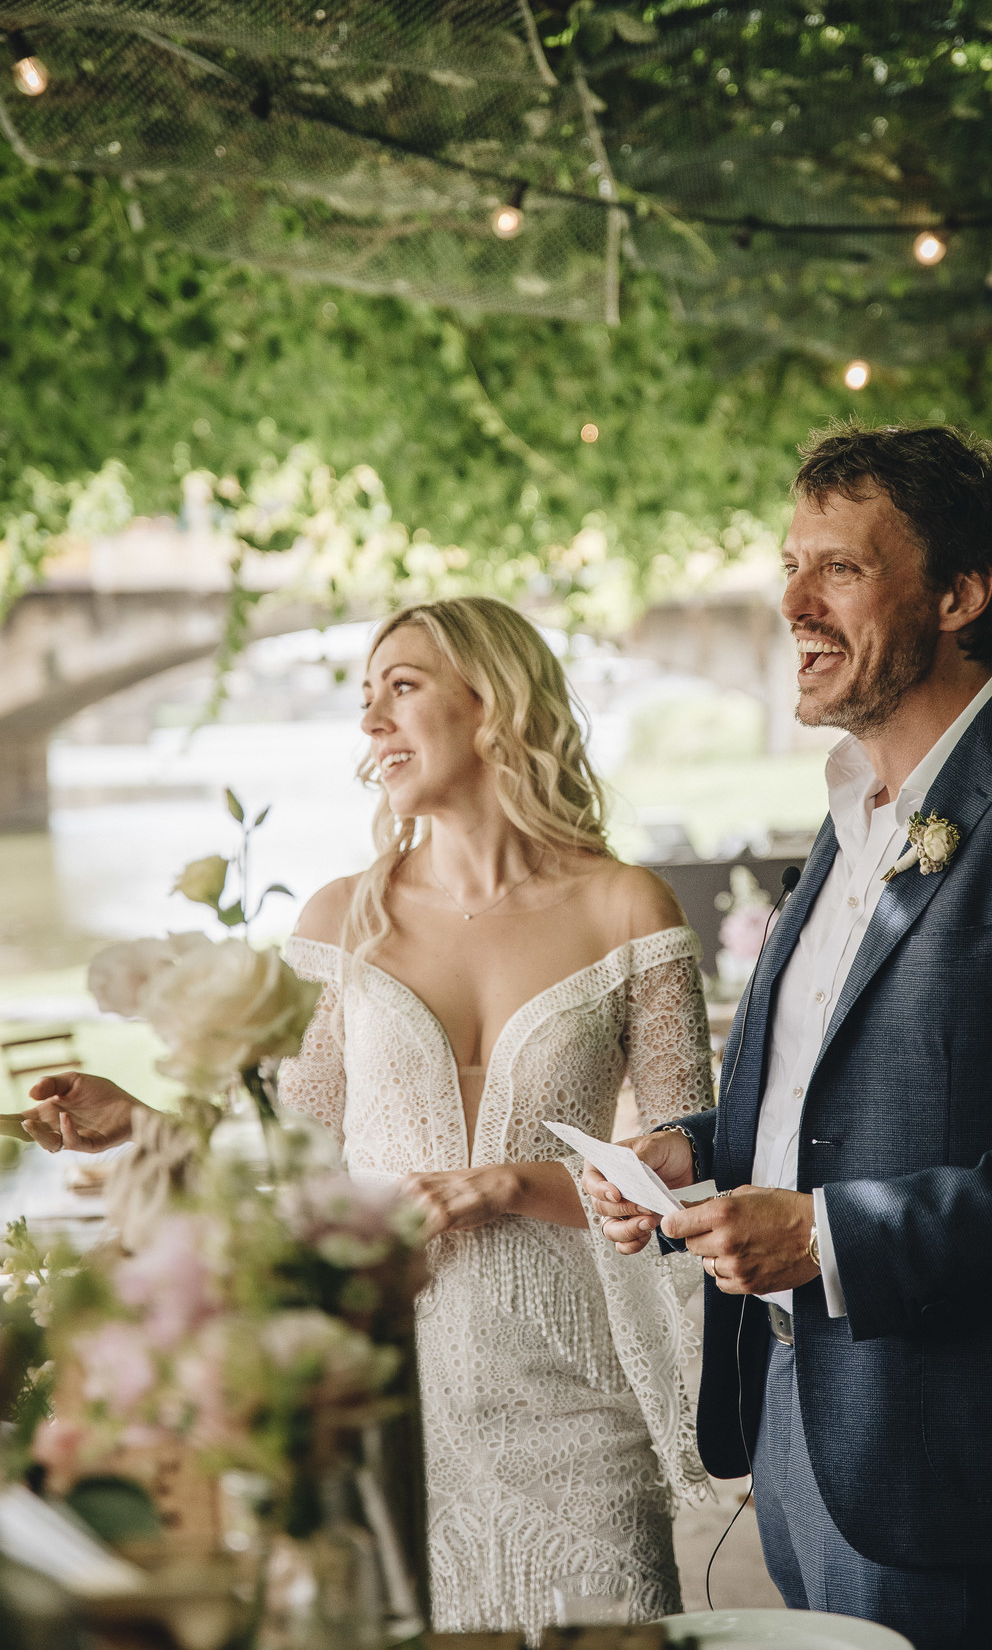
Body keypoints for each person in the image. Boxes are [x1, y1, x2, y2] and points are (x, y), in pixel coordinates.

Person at [584, 424, 992, 1650]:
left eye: (840, 569)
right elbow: (844, 1090)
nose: (791, 603)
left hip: (949, 1450)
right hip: (799, 1416)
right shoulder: (852, 814)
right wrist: (695, 1149)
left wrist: (824, 1233)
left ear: (960, 595)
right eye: (790, 564)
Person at [23, 596, 714, 1639]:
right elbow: (288, 1161)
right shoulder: (343, 919)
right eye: (365, 696)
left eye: (402, 687)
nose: (370, 722)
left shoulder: (628, 906)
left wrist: (507, 1183)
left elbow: (691, 1182)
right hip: (385, 1391)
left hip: (581, 1401)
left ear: (492, 703)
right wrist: (143, 1120)